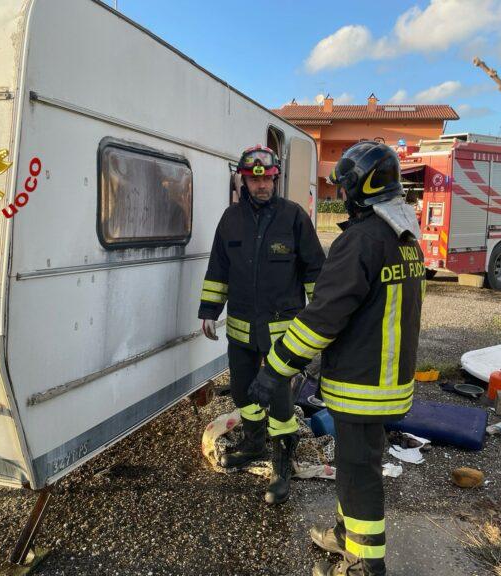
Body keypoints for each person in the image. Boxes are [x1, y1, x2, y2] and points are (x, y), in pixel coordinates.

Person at [249, 142, 425, 575]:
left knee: (359, 472)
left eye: (344, 187)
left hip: (362, 384)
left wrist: (275, 369)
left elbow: (321, 320)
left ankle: (365, 563)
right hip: (387, 380)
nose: (341, 194)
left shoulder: (360, 242)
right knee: (351, 464)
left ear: (362, 189)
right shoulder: (403, 238)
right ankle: (347, 537)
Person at [198, 144, 325, 505]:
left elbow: (315, 268)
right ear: (243, 180)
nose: (262, 186)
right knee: (242, 392)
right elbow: (217, 270)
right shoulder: (230, 219)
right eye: (255, 181)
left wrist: (321, 314)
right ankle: (254, 443)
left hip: (282, 334)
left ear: (276, 178)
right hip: (240, 330)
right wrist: (209, 310)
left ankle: (282, 465)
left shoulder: (294, 217)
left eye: (267, 179)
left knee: (280, 400)